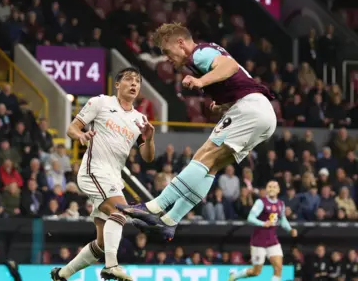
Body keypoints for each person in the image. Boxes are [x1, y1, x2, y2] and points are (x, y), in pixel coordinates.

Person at [118, 23, 276, 241]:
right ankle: (170, 221)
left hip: (250, 108)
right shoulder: (208, 51)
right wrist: (223, 103)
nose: (167, 58)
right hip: (264, 115)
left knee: (203, 157)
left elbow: (229, 66)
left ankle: (155, 207)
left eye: (167, 51)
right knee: (210, 167)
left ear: (181, 43)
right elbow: (237, 77)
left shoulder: (198, 54)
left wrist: (201, 81)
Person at [50, 67, 155, 281]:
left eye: (137, 81)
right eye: (128, 79)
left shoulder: (139, 119)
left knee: (102, 243)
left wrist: (150, 138)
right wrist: (81, 136)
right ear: (117, 84)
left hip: (113, 178)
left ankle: (61, 275)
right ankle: (112, 266)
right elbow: (71, 128)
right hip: (93, 171)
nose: (133, 83)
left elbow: (148, 157)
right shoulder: (101, 102)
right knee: (121, 211)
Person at [226, 180, 297, 281]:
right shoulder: (261, 202)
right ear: (266, 189)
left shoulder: (281, 204)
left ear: (279, 190)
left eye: (275, 186)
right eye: (269, 186)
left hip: (273, 240)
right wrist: (263, 223)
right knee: (256, 272)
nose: (272, 188)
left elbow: (282, 219)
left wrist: (290, 229)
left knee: (278, 267)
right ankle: (234, 276)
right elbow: (250, 218)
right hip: (259, 241)